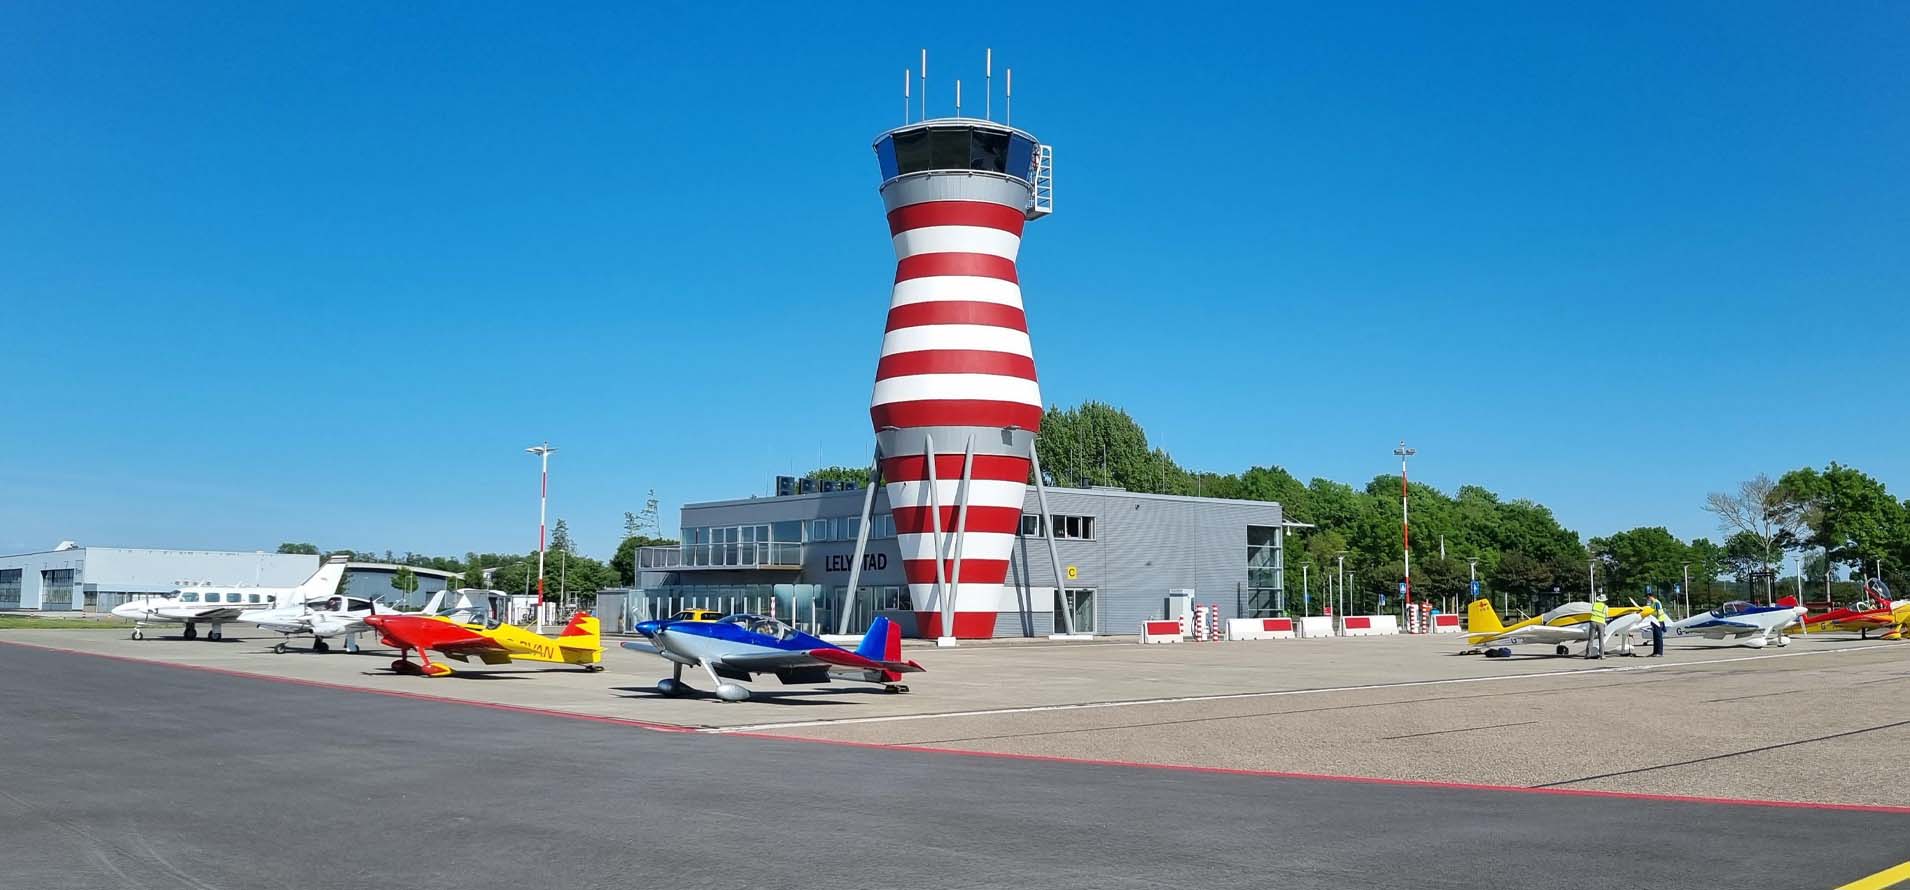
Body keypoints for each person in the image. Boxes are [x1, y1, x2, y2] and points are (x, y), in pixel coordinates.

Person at [1586, 594, 1609, 659]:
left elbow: (1591, 612)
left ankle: (1588, 654)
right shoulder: (1605, 607)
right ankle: (1602, 655)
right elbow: (1606, 616)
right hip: (1601, 623)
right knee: (1601, 640)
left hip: (1593, 622)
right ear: (1604, 600)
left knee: (1591, 639)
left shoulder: (1594, 604)